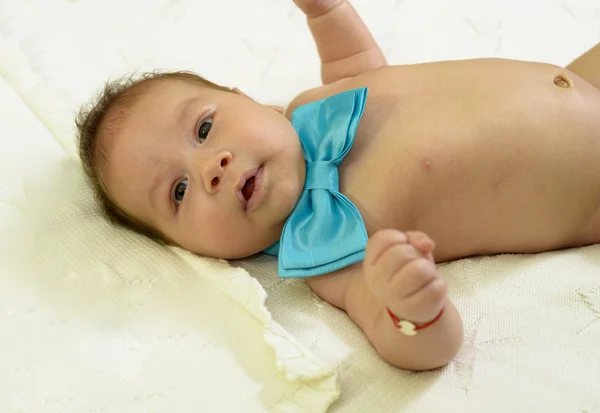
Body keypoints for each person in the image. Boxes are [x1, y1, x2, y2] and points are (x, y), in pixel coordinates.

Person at [76, 0, 600, 371]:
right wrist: (411, 310)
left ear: (250, 99)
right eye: (179, 193)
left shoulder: (313, 106)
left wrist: (328, 13)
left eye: (205, 128)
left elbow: (363, 71)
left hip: (580, 77)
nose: (210, 167)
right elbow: (420, 348)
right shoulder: (332, 255)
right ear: (189, 248)